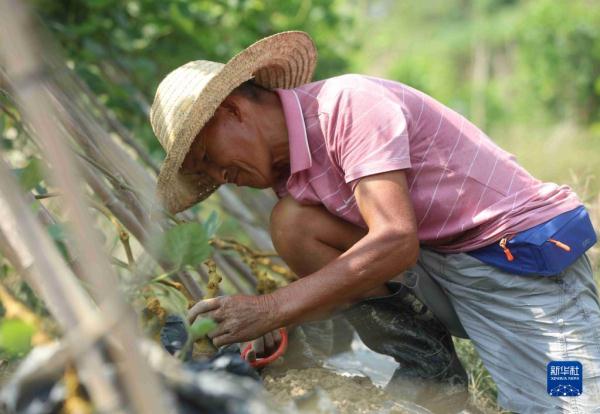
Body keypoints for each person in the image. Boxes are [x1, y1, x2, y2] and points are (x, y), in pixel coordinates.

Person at [150, 31, 600, 413]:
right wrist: (277, 330)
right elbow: (350, 271)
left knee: (570, 398)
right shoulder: (288, 174)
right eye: (204, 174)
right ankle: (432, 371)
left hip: (516, 264)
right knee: (293, 223)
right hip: (442, 265)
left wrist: (271, 308)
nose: (217, 178)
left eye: (208, 158)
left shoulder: (348, 106)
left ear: (232, 109)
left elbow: (396, 241)